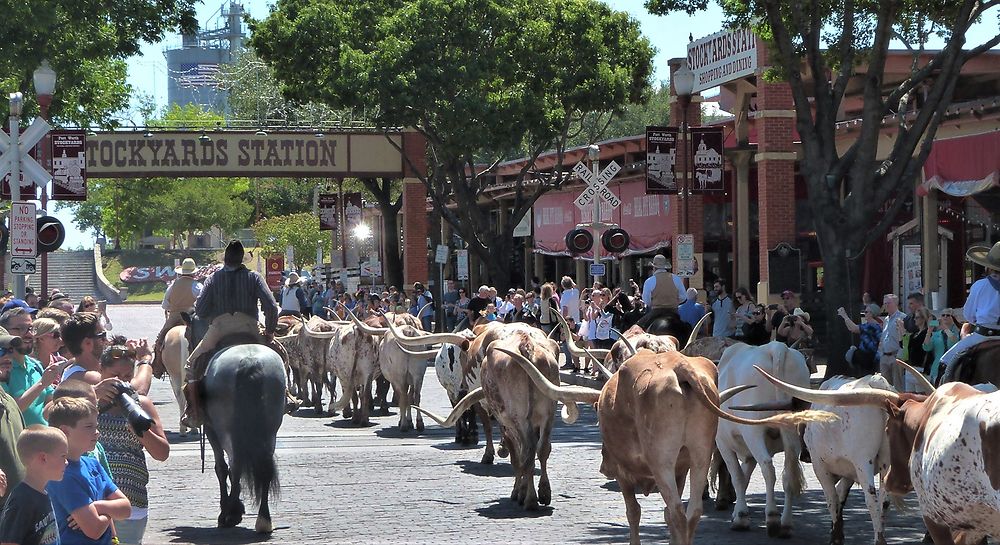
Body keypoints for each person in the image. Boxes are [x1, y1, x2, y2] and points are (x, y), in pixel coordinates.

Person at [183, 241, 279, 428]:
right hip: (249, 326)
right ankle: (286, 395)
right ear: (242, 259)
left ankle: (194, 412)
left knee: (191, 365)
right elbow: (271, 306)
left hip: (220, 328)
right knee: (279, 356)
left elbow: (201, 311)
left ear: (225, 259)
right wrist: (269, 332)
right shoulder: (255, 277)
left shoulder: (212, 279)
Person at [97, 345, 169, 544]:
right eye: (115, 375)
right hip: (92, 502)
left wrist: (141, 430)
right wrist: (94, 395)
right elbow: (52, 415)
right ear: (100, 369)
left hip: (131, 501)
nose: (121, 382)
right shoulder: (87, 400)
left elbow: (162, 453)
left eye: (128, 376)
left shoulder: (142, 403)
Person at [45, 397, 131, 545]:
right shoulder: (61, 474)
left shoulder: (93, 465)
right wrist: (110, 511)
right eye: (89, 427)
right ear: (65, 431)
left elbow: (126, 508)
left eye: (96, 426)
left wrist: (97, 507)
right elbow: (94, 530)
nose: (97, 432)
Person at [939, 241, 1000, 381]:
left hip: (983, 335)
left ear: (989, 267)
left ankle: (940, 394)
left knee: (945, 362)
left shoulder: (980, 285)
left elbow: (969, 315)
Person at [0, 425, 66, 545]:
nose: (66, 462)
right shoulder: (21, 499)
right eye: (63, 456)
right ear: (43, 458)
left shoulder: (45, 492)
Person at [0, 307, 58, 426]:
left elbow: (49, 402)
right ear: (5, 332)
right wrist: (41, 384)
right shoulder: (3, 370)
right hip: (19, 443)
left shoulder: (35, 365)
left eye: (30, 328)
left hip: (43, 440)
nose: (29, 334)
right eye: (20, 329)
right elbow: (9, 411)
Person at [0, 331, 26, 503]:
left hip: (18, 516)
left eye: (10, 350)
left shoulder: (9, 401)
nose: (8, 357)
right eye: (1, 351)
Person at [637, 254, 686, 330]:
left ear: (654, 268)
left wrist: (655, 303)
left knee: (638, 327)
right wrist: (673, 302)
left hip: (656, 311)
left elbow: (647, 301)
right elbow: (683, 297)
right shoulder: (676, 278)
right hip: (674, 311)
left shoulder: (650, 281)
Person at [837, 307, 882, 375]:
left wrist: (844, 315)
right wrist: (845, 318)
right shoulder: (868, 325)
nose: (864, 314)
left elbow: (854, 328)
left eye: (866, 312)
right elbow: (851, 328)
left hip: (869, 356)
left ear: (872, 314)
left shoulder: (872, 326)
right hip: (866, 355)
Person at [877, 294, 908, 387]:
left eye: (888, 303)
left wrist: (900, 355)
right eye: (884, 303)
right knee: (885, 386)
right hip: (884, 356)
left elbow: (904, 337)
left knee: (898, 385)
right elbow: (884, 336)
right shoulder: (886, 319)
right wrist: (880, 352)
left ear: (895, 303)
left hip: (895, 355)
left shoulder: (903, 317)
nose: (886, 305)